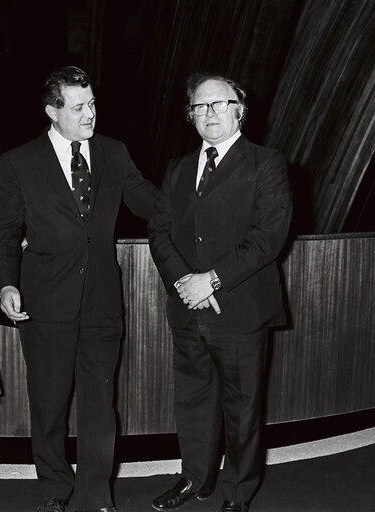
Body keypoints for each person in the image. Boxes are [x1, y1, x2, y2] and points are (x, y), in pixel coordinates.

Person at [0, 66, 157, 512]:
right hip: (44, 304)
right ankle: (54, 489)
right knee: (50, 404)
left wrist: (200, 196)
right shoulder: (18, 162)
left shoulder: (114, 153)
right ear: (52, 111)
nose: (91, 114)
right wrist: (5, 284)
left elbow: (152, 205)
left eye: (93, 103)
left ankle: (97, 494)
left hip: (102, 303)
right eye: (79, 107)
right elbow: (4, 234)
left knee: (101, 406)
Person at [147, 73, 292, 512]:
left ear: (239, 109)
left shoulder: (267, 163)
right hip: (189, 309)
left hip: (239, 310)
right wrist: (183, 283)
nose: (207, 114)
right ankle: (195, 479)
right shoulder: (178, 167)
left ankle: (238, 494)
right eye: (198, 107)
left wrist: (209, 280)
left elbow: (269, 237)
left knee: (242, 411)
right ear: (190, 116)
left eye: (217, 104)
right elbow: (159, 230)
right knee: (193, 403)